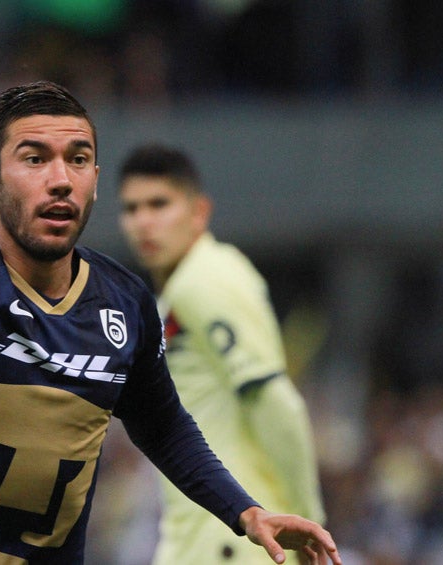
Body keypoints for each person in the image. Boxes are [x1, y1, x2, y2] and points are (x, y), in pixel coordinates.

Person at [0, 1, 342, 563]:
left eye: (79, 159)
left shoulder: (125, 301)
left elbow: (163, 427)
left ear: (95, 181)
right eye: (35, 158)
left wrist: (246, 510)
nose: (60, 179)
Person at [117, 143, 327, 563]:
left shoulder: (207, 278)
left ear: (199, 212)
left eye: (159, 204)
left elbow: (273, 400)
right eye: (132, 208)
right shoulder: (174, 293)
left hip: (234, 542)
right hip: (202, 535)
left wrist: (310, 523)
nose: (143, 222)